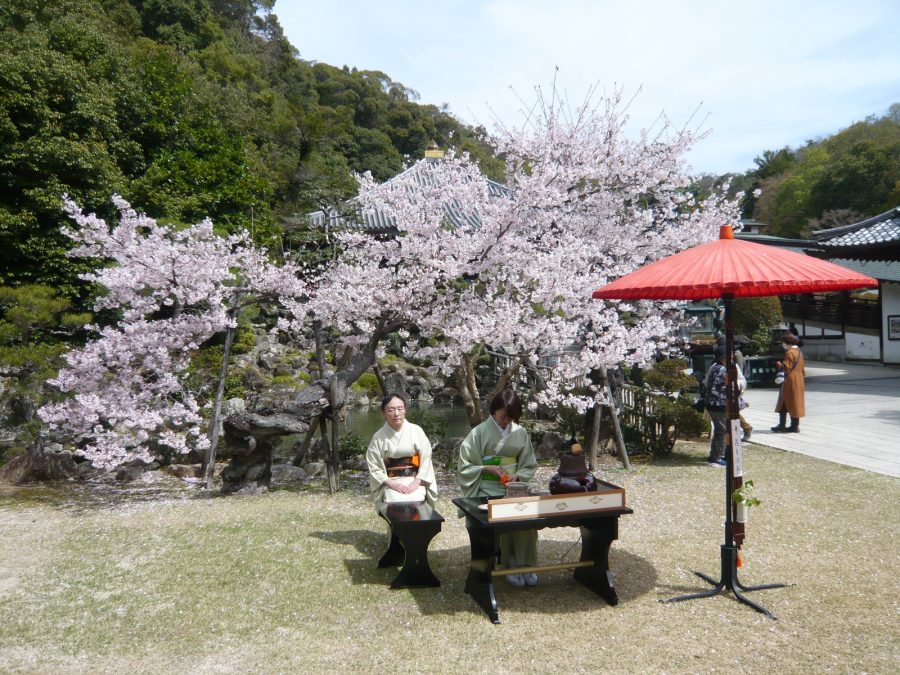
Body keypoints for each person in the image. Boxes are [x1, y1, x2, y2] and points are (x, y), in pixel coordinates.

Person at [458, 388, 538, 587]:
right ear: (494, 410)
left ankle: (524, 562)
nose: (506, 422)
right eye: (503, 417)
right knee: (502, 514)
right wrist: (486, 467)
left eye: (510, 418)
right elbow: (465, 465)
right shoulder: (478, 433)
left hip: (514, 487)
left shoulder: (519, 432)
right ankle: (507, 563)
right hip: (487, 487)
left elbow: (528, 462)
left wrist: (519, 474)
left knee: (527, 514)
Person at [366, 393, 437, 505]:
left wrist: (417, 482)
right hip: (391, 482)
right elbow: (374, 465)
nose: (396, 413)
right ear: (383, 412)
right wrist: (392, 484)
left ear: (405, 410)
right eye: (391, 410)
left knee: (417, 496)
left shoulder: (416, 431)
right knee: (395, 498)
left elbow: (426, 459)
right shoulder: (378, 437)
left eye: (400, 408)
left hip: (415, 480)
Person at [772, 333, 805, 433]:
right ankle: (794, 426)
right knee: (795, 402)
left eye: (783, 343)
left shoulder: (790, 352)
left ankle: (782, 425)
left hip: (789, 380)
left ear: (787, 343)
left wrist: (778, 364)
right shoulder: (799, 352)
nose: (782, 344)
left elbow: (786, 367)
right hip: (799, 379)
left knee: (784, 401)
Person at [703, 345, 729, 466]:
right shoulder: (722, 370)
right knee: (721, 431)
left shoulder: (714, 367)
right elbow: (721, 388)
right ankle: (717, 457)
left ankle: (714, 455)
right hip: (718, 404)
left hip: (711, 403)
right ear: (724, 357)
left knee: (719, 430)